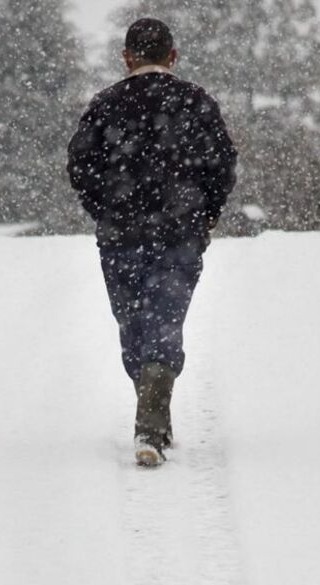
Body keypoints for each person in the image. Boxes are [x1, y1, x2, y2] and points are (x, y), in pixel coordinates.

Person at [66, 18, 237, 467]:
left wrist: (106, 210)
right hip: (181, 232)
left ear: (127, 58)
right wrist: (205, 215)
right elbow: (223, 165)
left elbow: (80, 166)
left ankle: (150, 423)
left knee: (134, 325)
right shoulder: (197, 103)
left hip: (122, 235)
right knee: (166, 316)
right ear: (173, 56)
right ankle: (155, 412)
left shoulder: (105, 105)